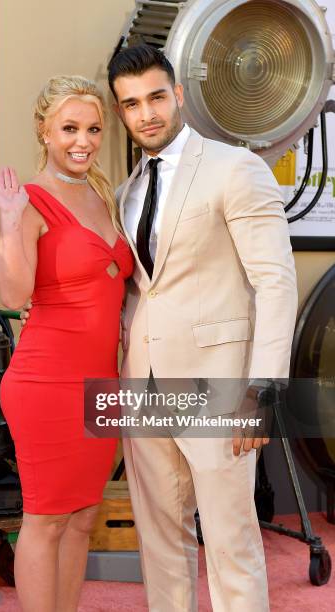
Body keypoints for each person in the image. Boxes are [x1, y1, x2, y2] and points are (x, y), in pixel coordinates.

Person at [22, 46, 298, 611]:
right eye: (130, 104)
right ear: (120, 114)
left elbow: (276, 282)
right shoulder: (121, 194)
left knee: (231, 542)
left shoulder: (235, 167)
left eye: (155, 97)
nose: (146, 114)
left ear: (177, 95)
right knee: (161, 545)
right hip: (141, 389)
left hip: (219, 388)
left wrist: (263, 388)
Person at [0, 75, 133, 612]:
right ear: (44, 132)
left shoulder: (102, 193)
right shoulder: (29, 200)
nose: (83, 140)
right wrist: (8, 224)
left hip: (103, 384)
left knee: (82, 518)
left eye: (94, 128)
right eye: (69, 128)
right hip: (46, 383)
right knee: (46, 517)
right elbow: (13, 293)